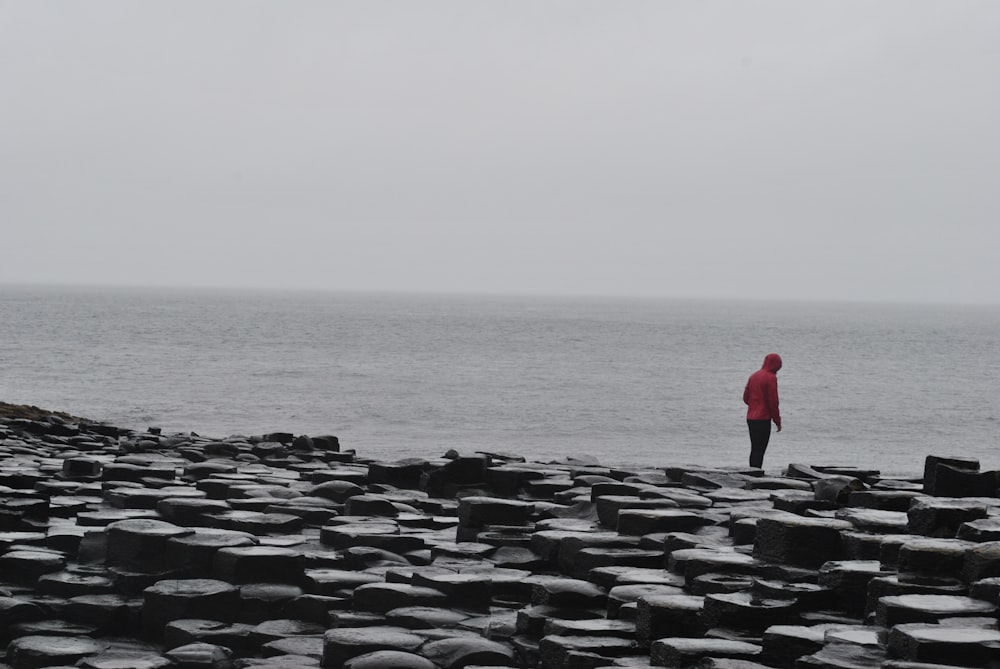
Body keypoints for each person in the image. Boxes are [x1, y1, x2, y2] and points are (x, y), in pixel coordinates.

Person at [743, 353, 782, 468]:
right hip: (763, 419)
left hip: (750, 418)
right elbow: (773, 402)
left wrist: (754, 405)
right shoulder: (771, 378)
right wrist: (777, 421)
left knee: (754, 447)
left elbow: (746, 397)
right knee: (760, 449)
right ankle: (757, 473)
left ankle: (751, 472)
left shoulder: (754, 375)